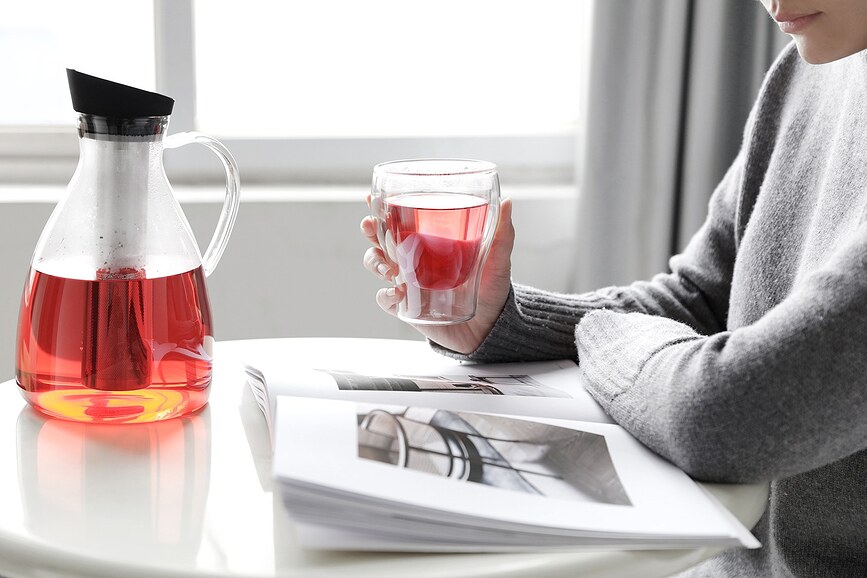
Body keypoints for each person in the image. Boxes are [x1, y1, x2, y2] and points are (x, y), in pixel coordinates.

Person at [360, 1, 867, 576]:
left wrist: (599, 332)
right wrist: (502, 318)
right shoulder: (809, 70)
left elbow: (726, 417)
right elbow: (701, 300)